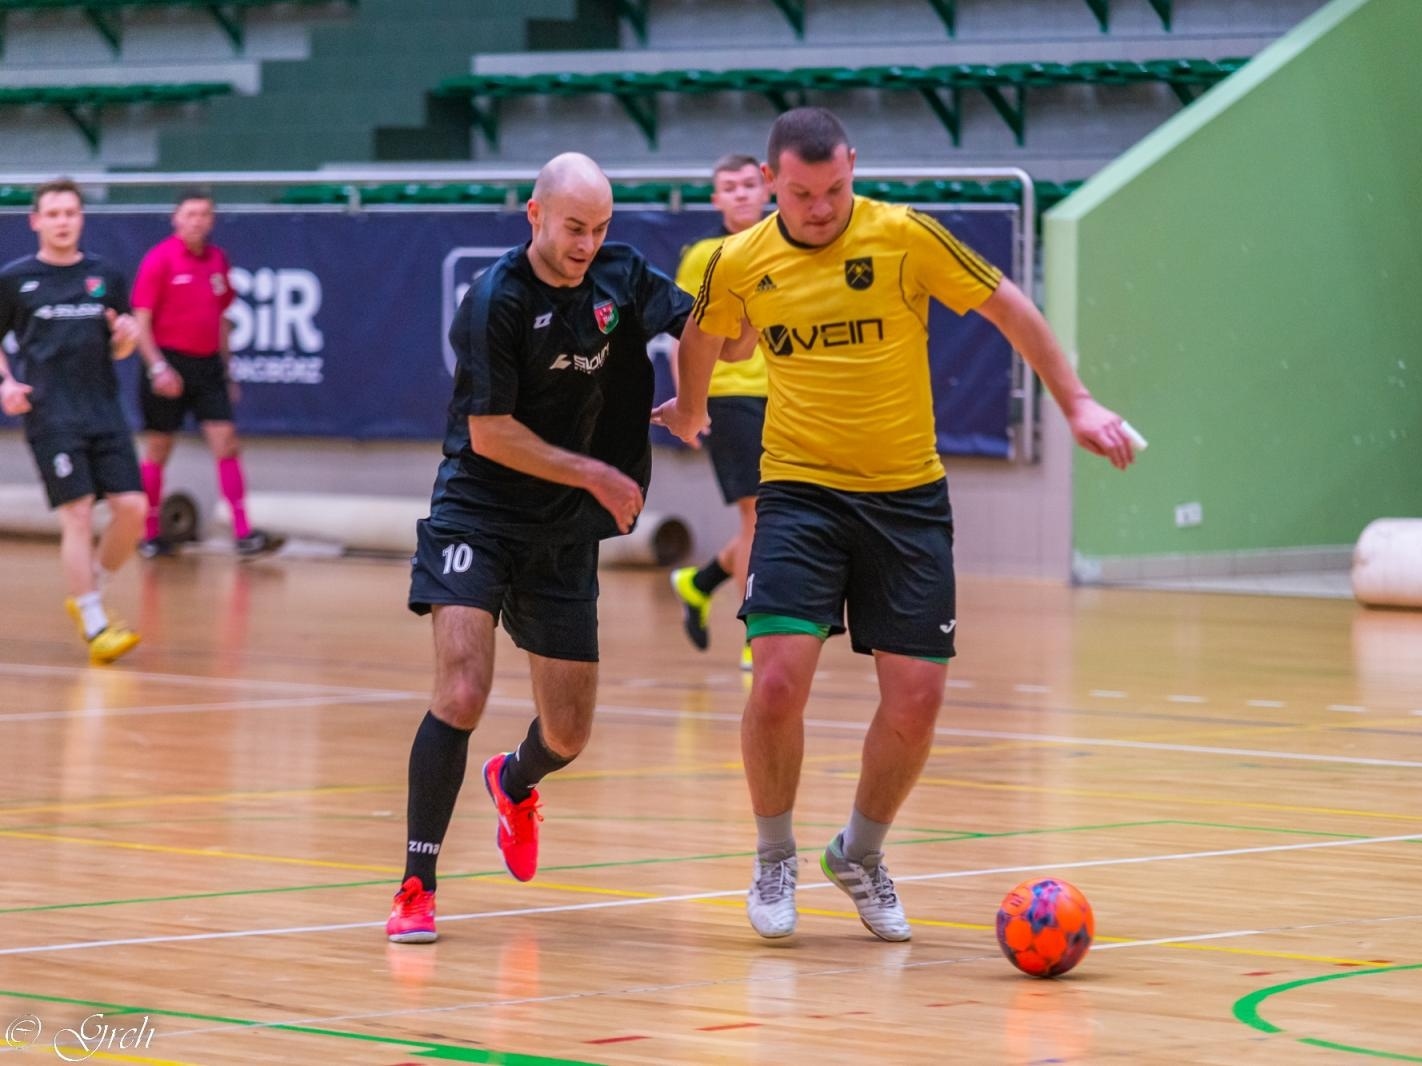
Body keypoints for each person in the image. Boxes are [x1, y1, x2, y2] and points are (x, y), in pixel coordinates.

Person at [654, 108, 1137, 943]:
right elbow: (704, 333)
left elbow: (1009, 308)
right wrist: (692, 409)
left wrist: (1078, 403)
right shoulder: (741, 259)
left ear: (852, 168)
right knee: (775, 681)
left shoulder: (905, 236)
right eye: (801, 193)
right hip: (800, 492)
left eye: (835, 188)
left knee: (917, 701)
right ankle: (775, 855)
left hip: (907, 498)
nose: (820, 207)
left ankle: (860, 854)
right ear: (772, 183)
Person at [388, 152, 725, 944]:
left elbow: (713, 334)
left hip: (564, 534)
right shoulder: (494, 297)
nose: (587, 243)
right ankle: (416, 882)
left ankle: (514, 781)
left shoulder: (622, 275)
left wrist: (704, 381)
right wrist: (598, 474)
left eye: (600, 227)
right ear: (534, 215)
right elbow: (490, 433)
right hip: (477, 509)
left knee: (568, 733)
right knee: (463, 689)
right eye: (575, 226)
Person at [0, 178, 148, 664]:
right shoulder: (15, 279)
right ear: (36, 221)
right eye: (54, 213)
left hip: (104, 410)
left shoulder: (105, 275)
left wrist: (126, 336)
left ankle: (90, 587)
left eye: (71, 212)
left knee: (132, 509)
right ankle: (94, 623)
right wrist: (5, 384)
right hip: (51, 414)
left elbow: (120, 347)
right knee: (79, 511)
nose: (62, 221)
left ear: (81, 219)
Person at [131, 188, 280, 558]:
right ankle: (149, 533)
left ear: (212, 220)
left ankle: (243, 532)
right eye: (191, 214)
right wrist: (158, 368)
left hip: (208, 365)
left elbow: (221, 319)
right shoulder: (159, 260)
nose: (198, 221)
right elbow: (141, 322)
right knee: (158, 447)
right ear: (176, 219)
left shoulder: (217, 260)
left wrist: (226, 372)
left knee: (226, 441)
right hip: (168, 363)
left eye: (204, 214)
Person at [666, 153, 771, 671]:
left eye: (749, 184)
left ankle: (700, 581)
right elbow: (683, 336)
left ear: (767, 188)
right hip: (730, 397)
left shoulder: (785, 244)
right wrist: (690, 404)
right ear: (716, 199)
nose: (740, 194)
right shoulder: (705, 254)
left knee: (781, 518)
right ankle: (757, 632)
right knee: (757, 516)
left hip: (789, 397)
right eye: (729, 187)